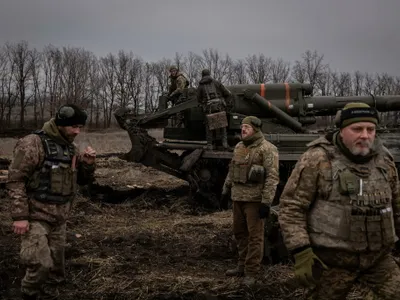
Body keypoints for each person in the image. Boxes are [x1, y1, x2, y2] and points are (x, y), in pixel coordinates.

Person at [278, 102, 400, 300]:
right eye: (357, 129)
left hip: (378, 260)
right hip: (333, 262)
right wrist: (301, 251)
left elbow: (396, 203)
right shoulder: (317, 158)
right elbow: (292, 207)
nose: (365, 135)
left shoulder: (384, 159)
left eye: (371, 129)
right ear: (342, 130)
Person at [7, 104, 97, 300]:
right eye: (74, 126)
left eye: (80, 127)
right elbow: (15, 180)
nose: (77, 131)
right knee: (40, 264)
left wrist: (89, 164)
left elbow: (81, 181)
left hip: (60, 219)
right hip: (35, 216)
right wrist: (20, 216)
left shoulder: (69, 147)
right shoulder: (32, 143)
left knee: (56, 270)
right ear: (62, 123)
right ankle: (29, 294)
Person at [221, 116, 279, 285]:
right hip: (237, 198)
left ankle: (252, 272)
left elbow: (272, 177)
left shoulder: (267, 149)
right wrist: (225, 190)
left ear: (255, 129)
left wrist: (266, 203)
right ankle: (241, 266)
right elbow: (232, 170)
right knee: (239, 233)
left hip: (254, 200)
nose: (243, 129)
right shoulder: (239, 146)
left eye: (247, 127)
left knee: (255, 236)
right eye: (242, 127)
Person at [197, 69, 232, 149]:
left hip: (209, 109)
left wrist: (203, 105)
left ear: (202, 75)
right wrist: (226, 103)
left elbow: (198, 99)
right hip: (220, 107)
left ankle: (209, 145)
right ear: (209, 74)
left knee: (209, 127)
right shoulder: (217, 83)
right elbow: (228, 93)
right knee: (222, 126)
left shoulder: (200, 86)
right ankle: (224, 143)